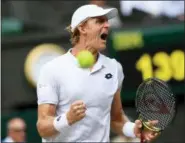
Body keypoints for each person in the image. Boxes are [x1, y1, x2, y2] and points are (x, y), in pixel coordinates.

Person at [36, 4, 159, 142]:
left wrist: (134, 130)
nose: (107, 25)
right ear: (82, 28)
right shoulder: (52, 69)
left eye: (107, 21)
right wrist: (67, 119)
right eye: (100, 21)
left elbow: (116, 119)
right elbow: (43, 128)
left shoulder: (114, 68)